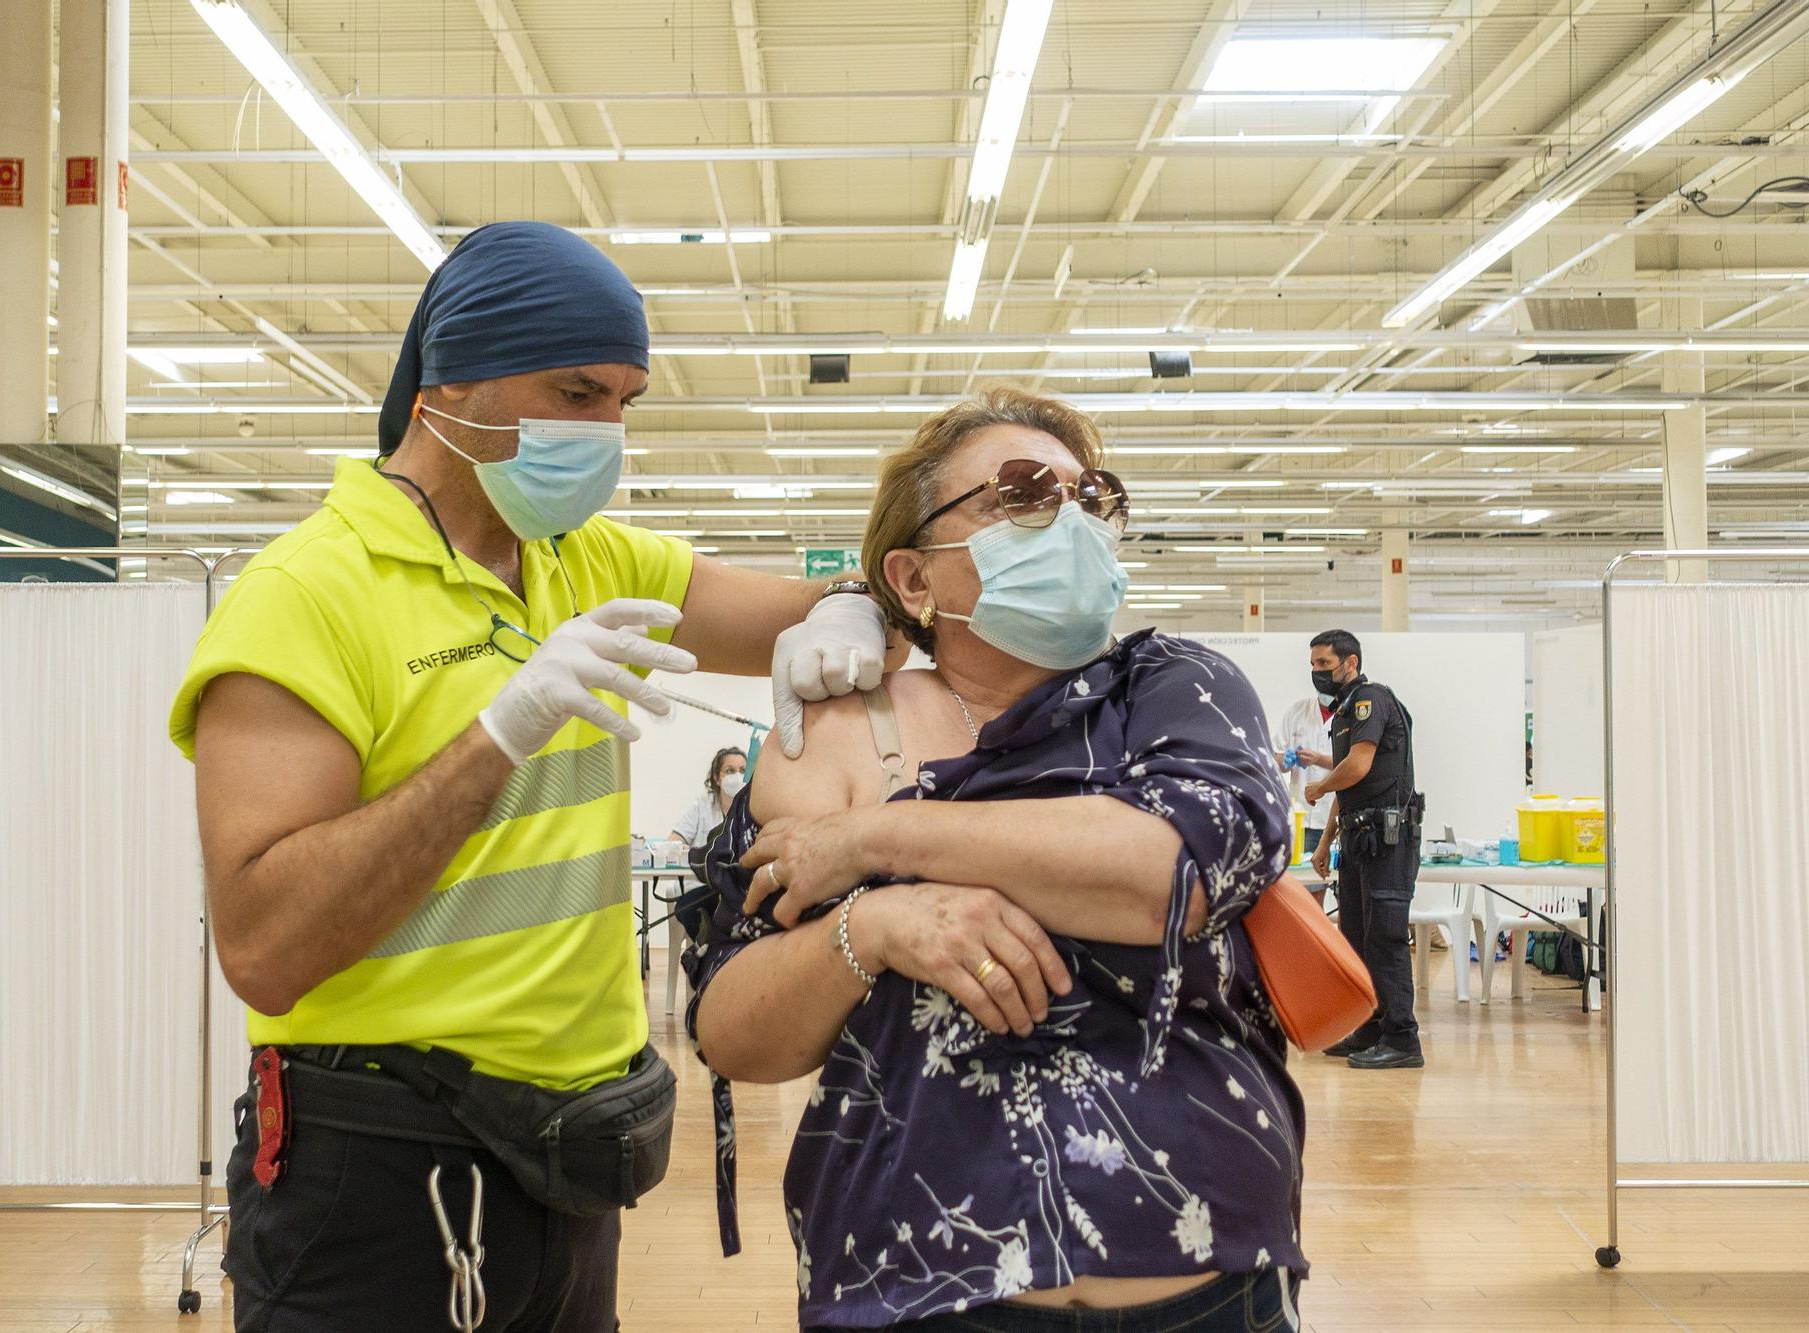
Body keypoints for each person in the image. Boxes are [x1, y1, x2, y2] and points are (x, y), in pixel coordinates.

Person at [169, 221, 903, 1333]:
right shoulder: (304, 597)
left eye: (623, 401)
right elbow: (265, 946)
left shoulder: (588, 557)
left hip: (571, 1151)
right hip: (380, 1160)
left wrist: (849, 606)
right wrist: (497, 734)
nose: (604, 431)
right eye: (573, 392)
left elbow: (805, 615)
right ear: (446, 384)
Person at [685, 388, 1305, 1332]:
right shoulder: (842, 729)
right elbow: (731, 1027)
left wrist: (872, 838)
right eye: (1021, 494)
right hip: (917, 1284)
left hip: (1209, 1280)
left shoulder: (1175, 688)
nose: (1070, 520)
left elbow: (1172, 870)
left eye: (1091, 496)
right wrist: (875, 924)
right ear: (917, 577)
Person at [1304, 629, 1424, 1071]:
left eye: (1324, 664)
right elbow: (1349, 784)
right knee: (1356, 937)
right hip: (1359, 838)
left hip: (1388, 840)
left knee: (1385, 936)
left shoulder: (1371, 699)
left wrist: (1318, 785)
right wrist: (1324, 842)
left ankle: (1403, 1038)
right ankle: (1371, 1028)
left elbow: (1356, 767)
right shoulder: (1344, 711)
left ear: (1349, 662)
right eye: (1313, 665)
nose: (1317, 672)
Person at [1274, 694, 1335, 859]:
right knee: (1301, 880)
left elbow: (1353, 763)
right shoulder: (1297, 711)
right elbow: (1275, 754)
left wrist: (1318, 759)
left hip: (1333, 820)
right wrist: (1284, 760)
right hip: (1300, 818)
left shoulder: (1351, 715)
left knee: (1330, 879)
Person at [671, 747, 747, 851]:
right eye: (730, 771)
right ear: (716, 778)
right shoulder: (701, 806)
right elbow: (674, 841)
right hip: (702, 866)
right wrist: (681, 849)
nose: (738, 776)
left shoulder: (754, 809)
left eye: (743, 771)